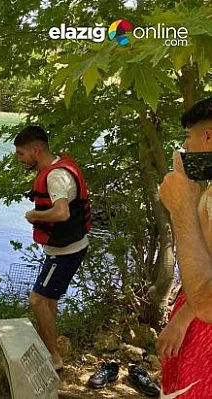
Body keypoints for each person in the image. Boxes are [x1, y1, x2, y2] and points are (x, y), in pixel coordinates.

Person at [14, 126, 90, 371]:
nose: (20, 159)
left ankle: (54, 358)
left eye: (21, 154)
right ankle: (52, 352)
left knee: (38, 300)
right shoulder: (56, 167)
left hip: (66, 252)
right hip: (65, 248)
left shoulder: (56, 176)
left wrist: (35, 214)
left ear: (36, 150)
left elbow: (61, 212)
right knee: (50, 301)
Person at [158, 97, 212, 398]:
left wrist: (182, 209)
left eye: (188, 137)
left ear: (208, 136)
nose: (186, 146)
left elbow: (208, 300)